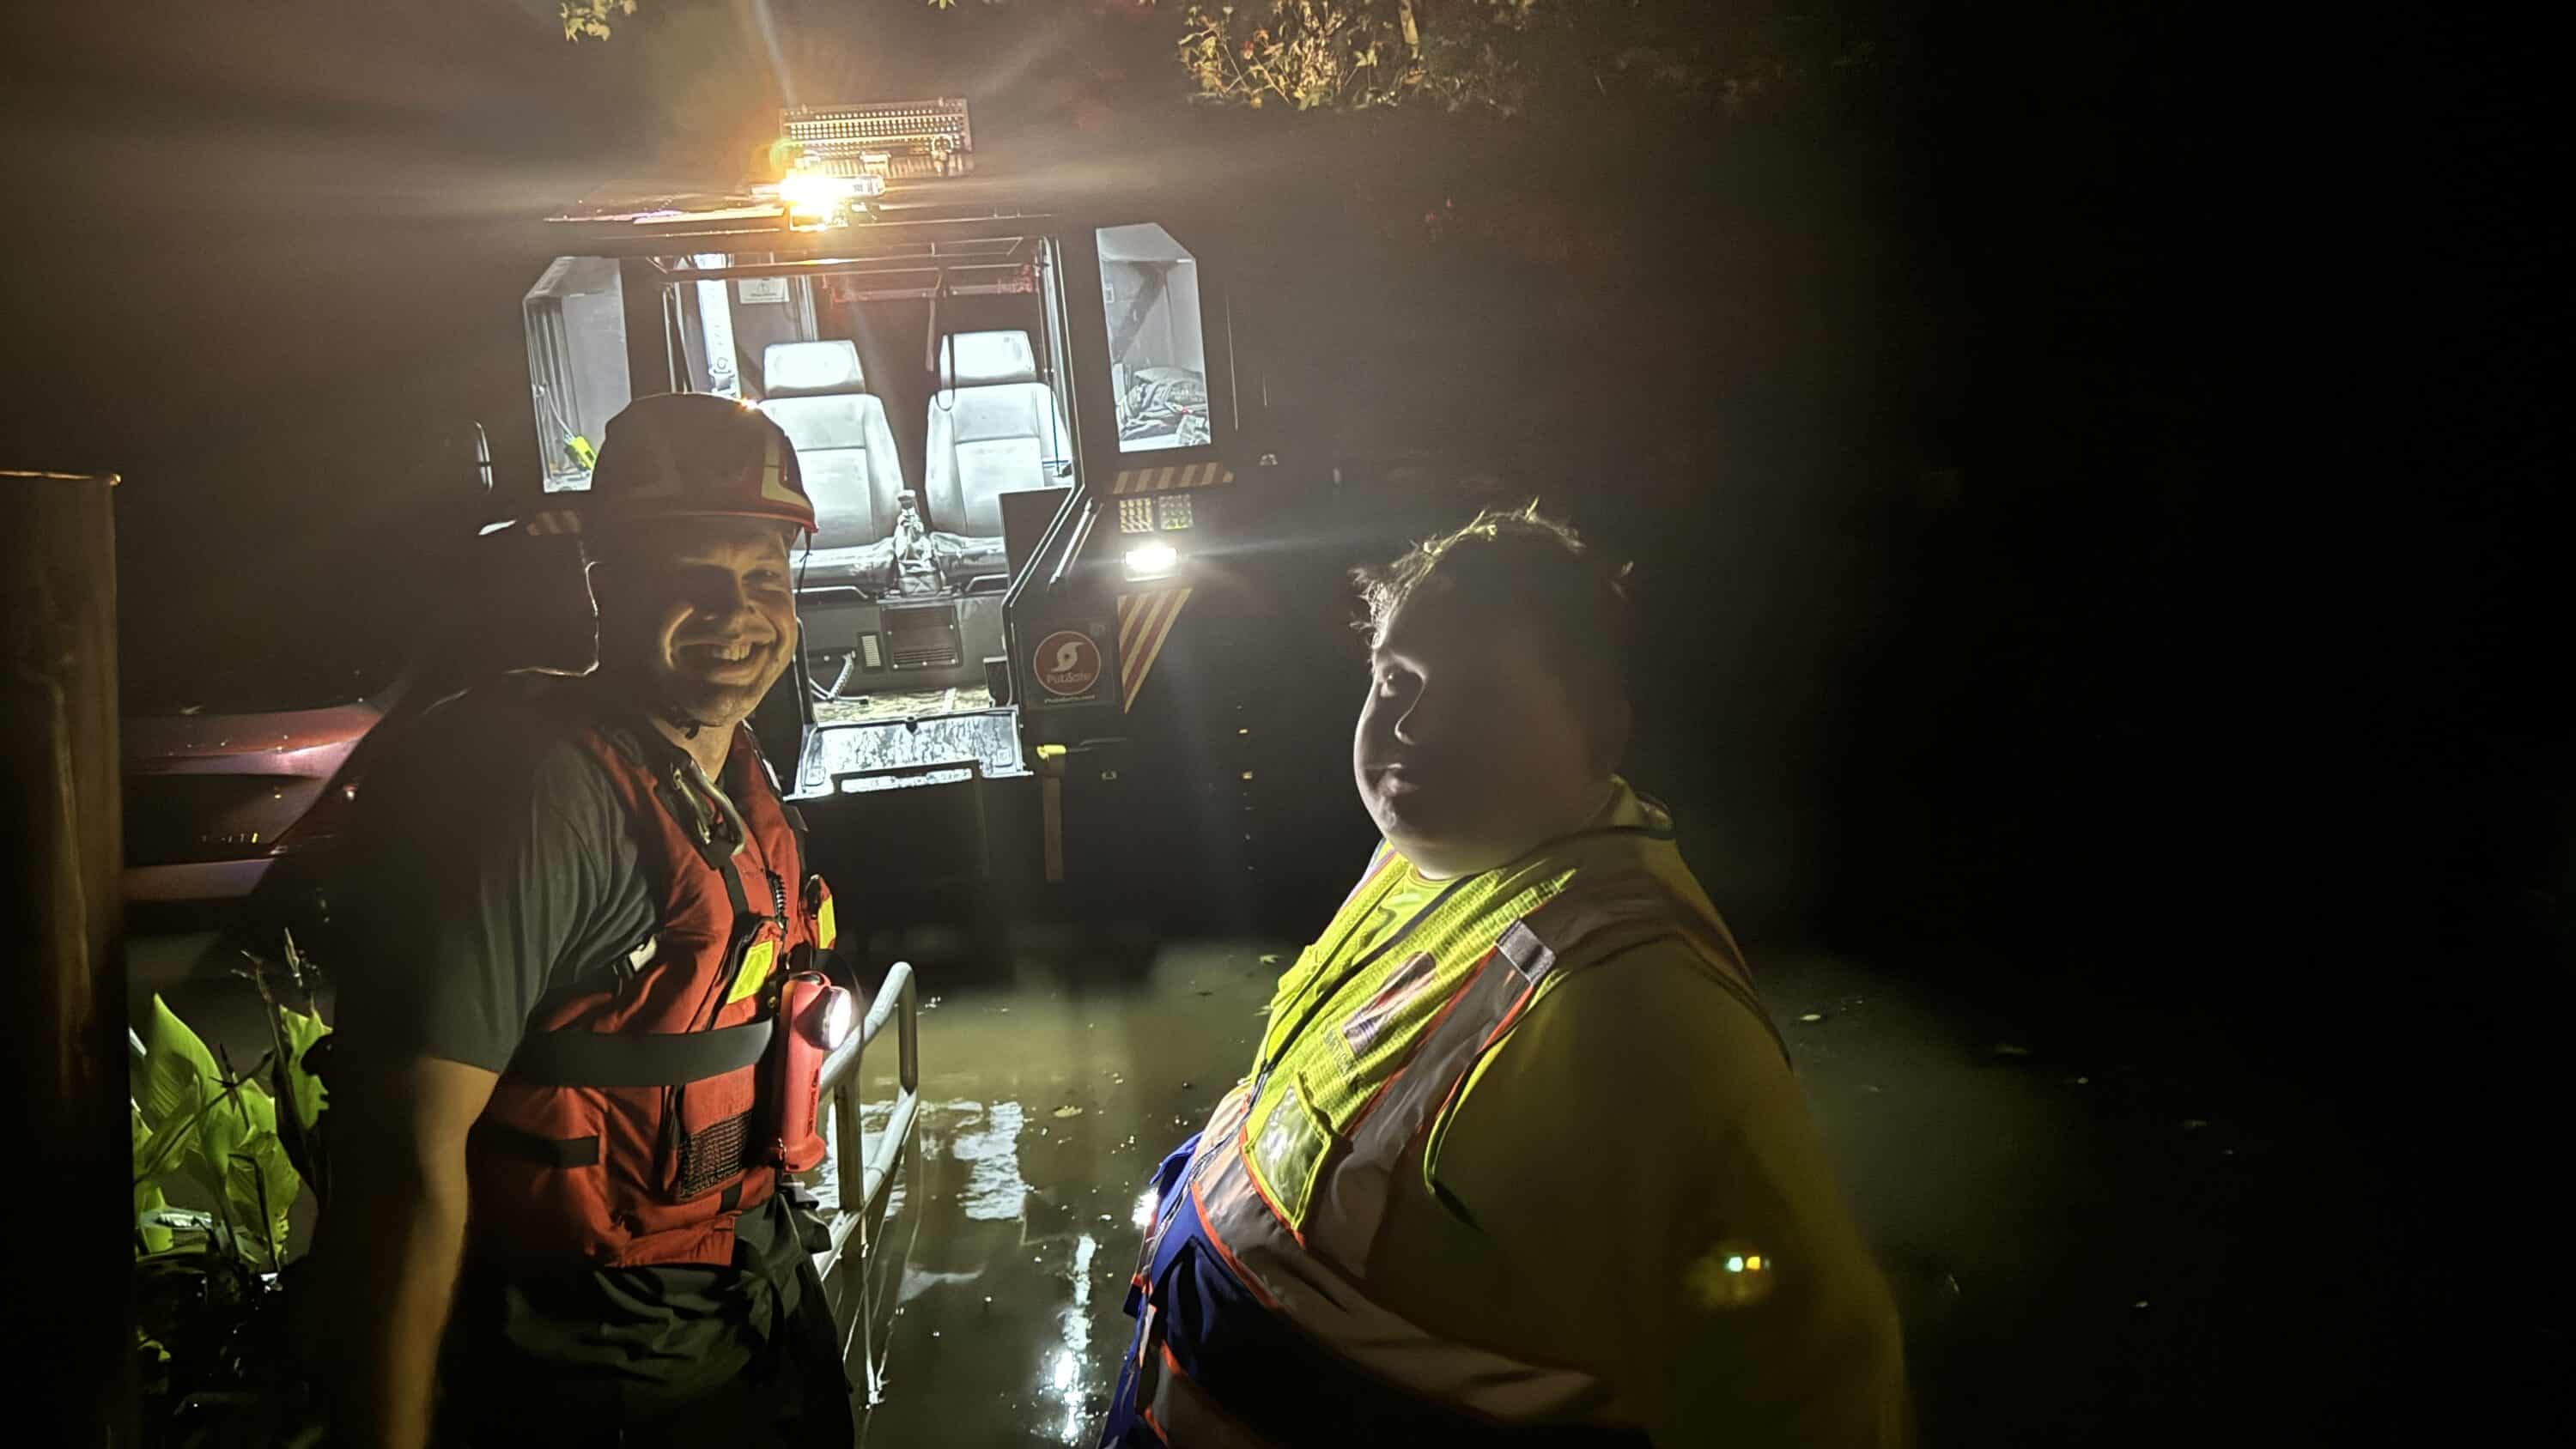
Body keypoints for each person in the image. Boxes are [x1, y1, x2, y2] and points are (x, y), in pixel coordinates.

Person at [1101, 506, 1911, 1447]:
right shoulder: (1423, 862)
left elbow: (1813, 1389)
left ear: (1596, 724)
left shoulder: (1638, 1006)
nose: (1410, 722)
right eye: (1395, 679)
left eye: (1478, 696)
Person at [307, 394, 854, 1449]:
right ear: (609, 584)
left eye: (763, 580)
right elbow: (402, 1156)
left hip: (755, 1308)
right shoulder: (539, 799)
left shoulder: (730, 772)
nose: (738, 616)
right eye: (692, 579)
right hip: (597, 1377)